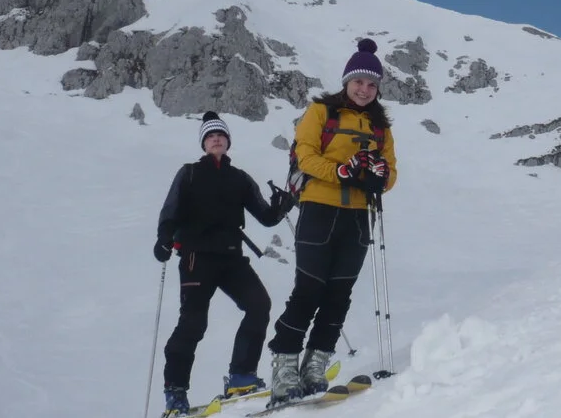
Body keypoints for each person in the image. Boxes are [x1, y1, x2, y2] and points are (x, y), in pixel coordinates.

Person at [267, 39, 398, 404]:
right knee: (308, 290)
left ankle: (315, 364)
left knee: (339, 295)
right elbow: (305, 155)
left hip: (357, 217)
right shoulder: (321, 112)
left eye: (372, 84)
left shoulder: (380, 127)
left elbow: (391, 173)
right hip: (318, 210)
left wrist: (380, 177)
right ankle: (284, 365)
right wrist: (341, 171)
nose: (364, 89)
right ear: (347, 81)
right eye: (359, 82)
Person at [154, 111, 296, 416]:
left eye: (220, 135)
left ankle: (241, 377)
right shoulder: (189, 173)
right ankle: (175, 392)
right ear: (204, 144)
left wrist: (282, 206)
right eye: (210, 136)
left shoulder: (240, 178)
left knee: (259, 304)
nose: (216, 139)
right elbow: (171, 209)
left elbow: (266, 216)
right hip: (196, 257)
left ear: (228, 141)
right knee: (193, 323)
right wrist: (164, 238)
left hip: (231, 257)